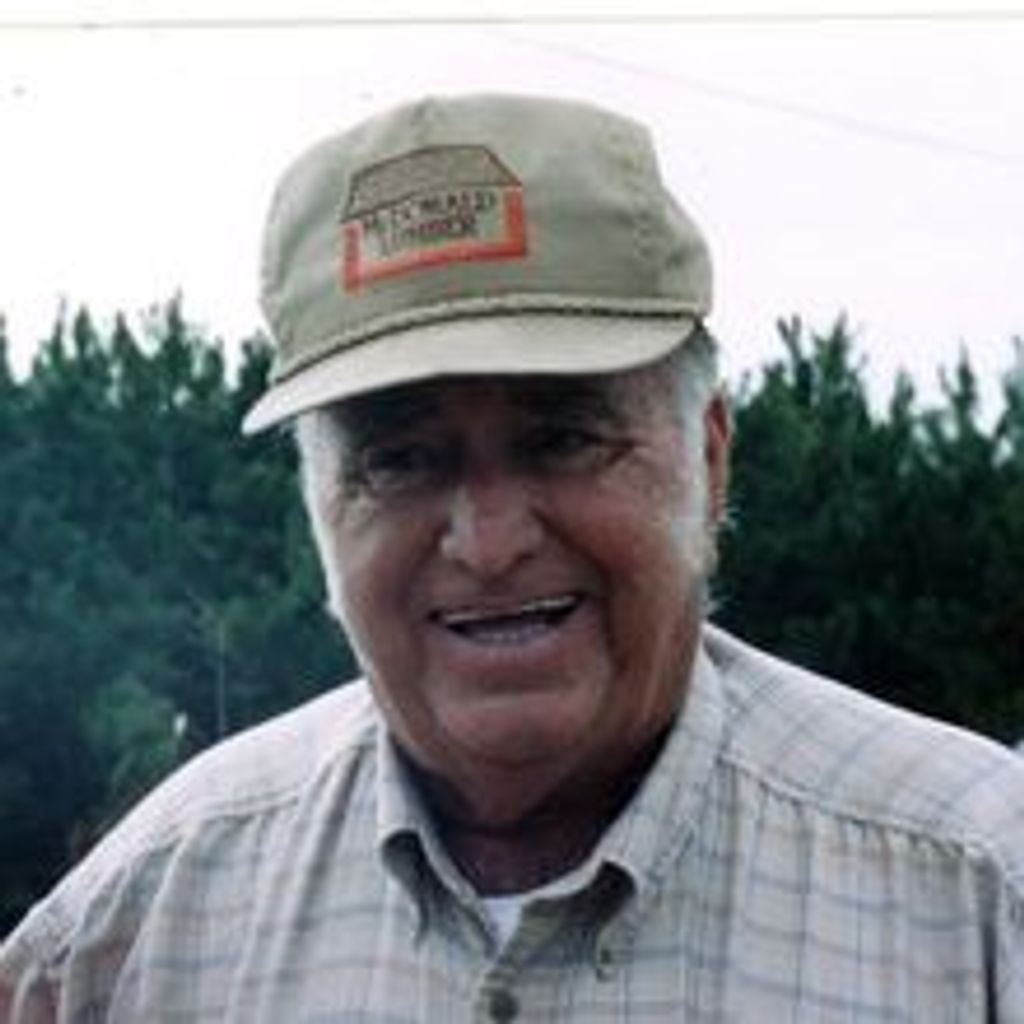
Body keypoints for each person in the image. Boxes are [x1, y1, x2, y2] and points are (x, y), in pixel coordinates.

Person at [2, 93, 1022, 1023]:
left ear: (708, 460)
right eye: (398, 460)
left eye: (564, 440)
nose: (488, 546)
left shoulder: (978, 893)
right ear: (316, 506)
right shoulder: (129, 934)